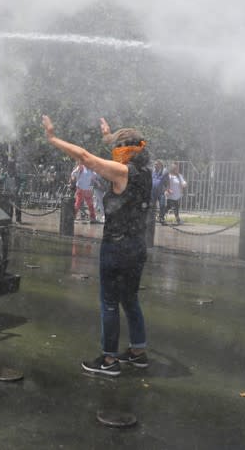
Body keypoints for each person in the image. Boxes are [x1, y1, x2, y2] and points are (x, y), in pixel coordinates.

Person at [42, 115, 152, 376]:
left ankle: (109, 360)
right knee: (130, 298)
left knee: (109, 302)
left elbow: (85, 157)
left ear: (125, 152)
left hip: (117, 248)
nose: (114, 153)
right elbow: (117, 154)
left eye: (117, 148)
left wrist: (52, 138)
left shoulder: (123, 172)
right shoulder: (146, 172)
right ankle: (138, 352)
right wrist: (108, 135)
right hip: (137, 246)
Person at [152, 160, 169, 224]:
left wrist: (167, 190)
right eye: (155, 164)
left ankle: (161, 218)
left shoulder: (164, 172)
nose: (155, 165)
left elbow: (168, 182)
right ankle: (153, 218)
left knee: (162, 205)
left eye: (157, 164)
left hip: (161, 192)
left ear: (160, 165)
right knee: (153, 206)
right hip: (153, 192)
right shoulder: (152, 171)